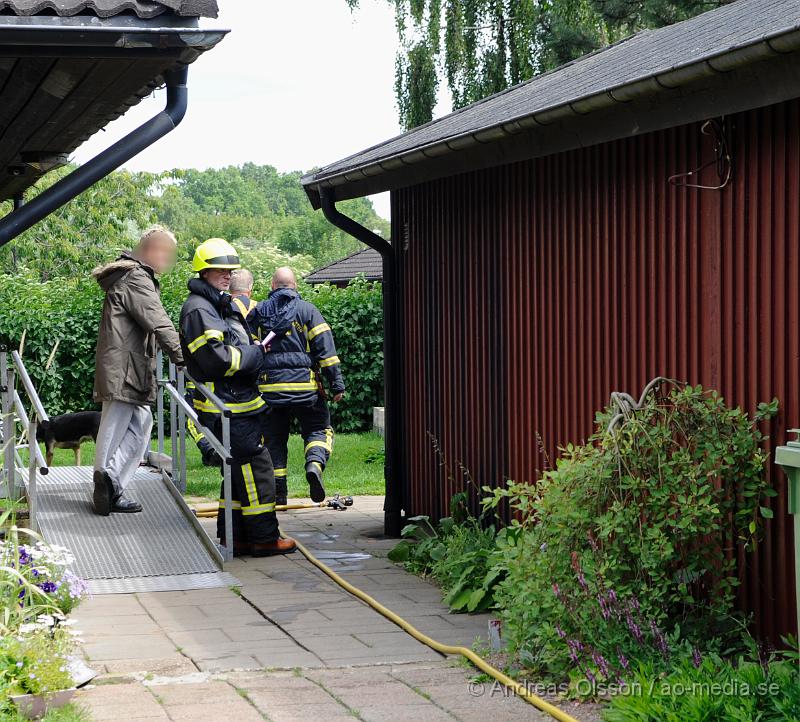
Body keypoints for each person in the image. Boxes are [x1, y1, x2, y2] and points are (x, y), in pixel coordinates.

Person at [179, 238, 295, 557]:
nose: (227, 275)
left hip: (236, 403)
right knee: (257, 467)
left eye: (231, 270)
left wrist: (252, 348)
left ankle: (235, 536)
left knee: (236, 472)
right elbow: (215, 359)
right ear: (204, 271)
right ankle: (264, 538)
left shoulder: (214, 303)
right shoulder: (199, 308)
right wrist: (253, 355)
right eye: (221, 270)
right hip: (228, 407)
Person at [92, 226, 184, 515]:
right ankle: (108, 482)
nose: (167, 259)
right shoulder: (137, 278)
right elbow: (158, 321)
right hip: (126, 367)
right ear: (149, 249)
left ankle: (110, 481)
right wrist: (183, 357)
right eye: (164, 252)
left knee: (136, 426)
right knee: (118, 427)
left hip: (127, 366)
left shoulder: (130, 276)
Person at [255, 267, 345, 506]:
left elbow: (247, 351)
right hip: (306, 389)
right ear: (295, 286)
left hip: (270, 391)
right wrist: (337, 384)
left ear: (273, 286)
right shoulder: (308, 311)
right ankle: (314, 465)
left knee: (273, 439)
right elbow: (326, 352)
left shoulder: (258, 312)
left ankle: (278, 492)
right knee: (318, 430)